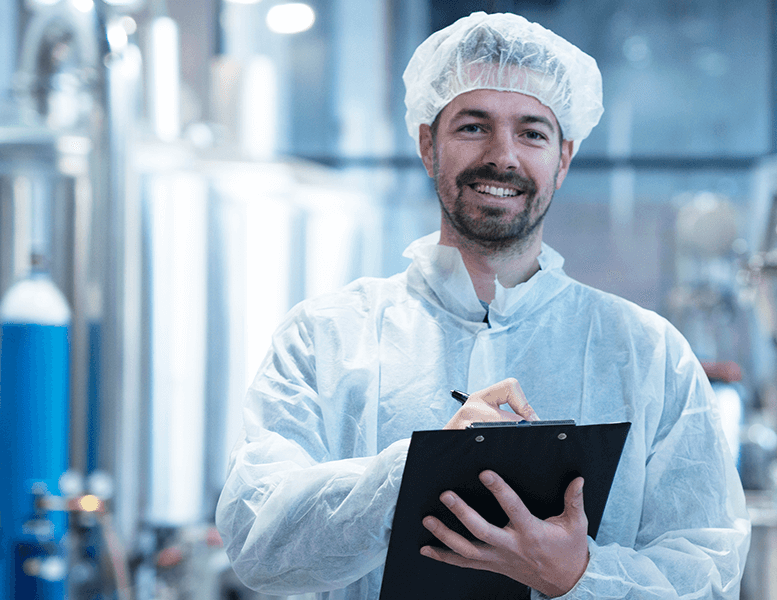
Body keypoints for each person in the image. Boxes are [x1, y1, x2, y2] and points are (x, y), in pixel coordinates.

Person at [216, 12, 749, 600]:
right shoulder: (325, 338)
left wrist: (579, 577)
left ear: (563, 159)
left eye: (532, 133)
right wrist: (414, 471)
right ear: (427, 144)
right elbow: (259, 546)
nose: (503, 156)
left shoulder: (650, 355)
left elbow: (706, 572)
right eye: (473, 127)